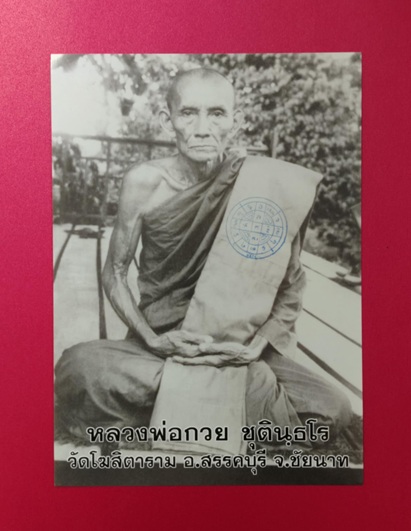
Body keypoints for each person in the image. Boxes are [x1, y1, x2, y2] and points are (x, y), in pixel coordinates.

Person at [55, 68, 353, 451]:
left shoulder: (262, 185)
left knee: (332, 407)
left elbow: (291, 285)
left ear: (235, 122)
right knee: (78, 369)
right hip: (161, 347)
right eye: (188, 113)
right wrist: (154, 340)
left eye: (216, 114)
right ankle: (224, 409)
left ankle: (170, 412)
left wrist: (256, 346)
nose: (201, 129)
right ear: (167, 121)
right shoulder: (144, 182)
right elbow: (114, 272)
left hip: (238, 351)